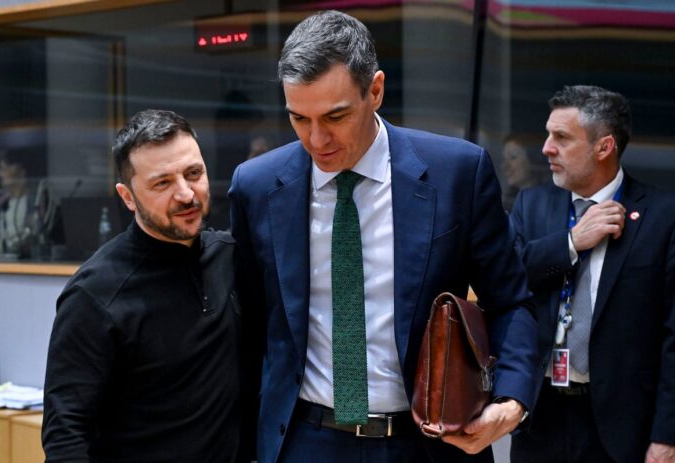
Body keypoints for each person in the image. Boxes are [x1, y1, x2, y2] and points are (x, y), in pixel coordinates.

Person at [229, 10, 538, 463]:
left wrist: (511, 401)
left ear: (375, 91)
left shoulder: (457, 173)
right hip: (304, 441)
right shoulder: (256, 186)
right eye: (299, 118)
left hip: (428, 443)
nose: (316, 140)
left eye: (335, 116)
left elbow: (511, 301)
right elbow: (251, 327)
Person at [42, 109, 243, 462]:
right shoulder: (94, 294)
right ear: (127, 197)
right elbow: (65, 435)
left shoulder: (230, 256)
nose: (186, 194)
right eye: (162, 183)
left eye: (193, 174)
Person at [509, 85, 675, 463]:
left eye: (562, 138)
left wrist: (667, 435)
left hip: (624, 426)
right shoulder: (532, 204)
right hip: (541, 418)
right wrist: (570, 243)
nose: (546, 148)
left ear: (604, 147)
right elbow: (506, 280)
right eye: (548, 135)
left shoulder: (663, 216)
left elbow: (673, 336)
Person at [501, 136, 547, 211]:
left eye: (513, 157)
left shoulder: (547, 200)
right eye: (504, 159)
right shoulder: (507, 201)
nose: (505, 165)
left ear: (532, 160)